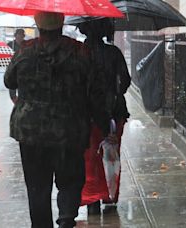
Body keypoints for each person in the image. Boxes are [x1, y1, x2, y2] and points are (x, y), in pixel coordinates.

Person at [4, 12, 113, 228]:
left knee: (37, 186)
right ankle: (65, 219)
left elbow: (9, 80)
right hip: (69, 129)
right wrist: (103, 122)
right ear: (62, 23)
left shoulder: (25, 50)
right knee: (70, 180)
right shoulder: (80, 52)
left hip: (31, 131)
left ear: (37, 24)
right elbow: (95, 92)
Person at [77, 18, 131, 215]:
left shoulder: (78, 53)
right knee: (111, 155)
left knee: (89, 158)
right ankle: (109, 195)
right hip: (114, 113)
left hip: (86, 114)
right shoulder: (113, 53)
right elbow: (125, 82)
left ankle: (92, 199)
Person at [7, 29, 25, 104]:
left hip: (23, 69)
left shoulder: (26, 45)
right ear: (16, 35)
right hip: (12, 69)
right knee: (12, 89)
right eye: (19, 34)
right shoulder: (10, 45)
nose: (20, 36)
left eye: (22, 35)